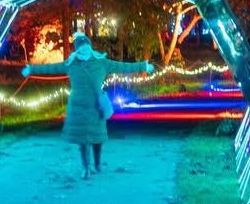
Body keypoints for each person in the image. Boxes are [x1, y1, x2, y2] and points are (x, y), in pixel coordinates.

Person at [21, 32, 154, 179]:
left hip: (96, 106)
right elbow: (52, 68)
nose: (84, 49)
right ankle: (86, 168)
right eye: (81, 47)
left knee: (97, 139)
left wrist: (143, 66)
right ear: (77, 49)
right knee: (82, 140)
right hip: (78, 107)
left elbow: (121, 66)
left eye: (86, 46)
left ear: (90, 47)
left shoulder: (101, 62)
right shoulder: (70, 64)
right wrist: (31, 69)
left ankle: (96, 164)